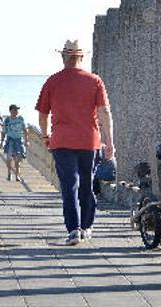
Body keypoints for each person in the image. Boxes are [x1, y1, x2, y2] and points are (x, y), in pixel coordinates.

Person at [35, 39, 115, 246]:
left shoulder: (52, 81)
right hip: (89, 141)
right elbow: (104, 112)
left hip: (61, 141)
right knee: (87, 185)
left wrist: (45, 136)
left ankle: (73, 230)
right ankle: (87, 227)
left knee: (69, 186)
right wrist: (110, 142)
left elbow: (43, 113)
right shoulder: (94, 81)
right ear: (81, 57)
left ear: (63, 57)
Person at [0, 104, 27, 181]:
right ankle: (9, 174)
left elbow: (25, 130)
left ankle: (17, 176)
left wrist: (26, 140)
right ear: (11, 111)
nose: (16, 111)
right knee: (9, 159)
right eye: (15, 110)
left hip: (18, 140)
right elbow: (4, 131)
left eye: (17, 110)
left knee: (18, 160)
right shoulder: (7, 120)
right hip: (10, 140)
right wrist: (1, 142)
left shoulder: (20, 119)